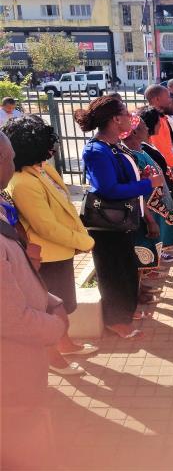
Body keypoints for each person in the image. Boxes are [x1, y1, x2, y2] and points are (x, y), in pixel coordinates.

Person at [4, 115, 97, 376]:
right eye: (46, 143)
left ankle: (65, 345)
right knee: (51, 310)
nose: (52, 148)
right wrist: (84, 241)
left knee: (64, 305)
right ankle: (53, 357)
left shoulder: (42, 169)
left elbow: (64, 207)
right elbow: (45, 226)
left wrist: (77, 239)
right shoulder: (23, 182)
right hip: (47, 256)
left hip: (61, 251)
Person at [1, 130, 67, 470]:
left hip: (21, 364)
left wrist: (49, 299)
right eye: (9, 157)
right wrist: (55, 326)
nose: (13, 163)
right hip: (11, 372)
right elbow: (9, 318)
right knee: (26, 446)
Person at [75, 96, 162, 339]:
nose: (129, 117)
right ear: (115, 119)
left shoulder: (111, 146)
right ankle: (116, 321)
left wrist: (139, 177)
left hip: (120, 220)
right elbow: (108, 189)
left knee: (125, 268)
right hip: (106, 224)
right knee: (113, 272)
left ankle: (125, 314)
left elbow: (120, 179)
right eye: (125, 113)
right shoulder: (97, 150)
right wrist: (147, 184)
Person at [137, 106, 173, 253]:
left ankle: (159, 254)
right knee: (153, 231)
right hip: (151, 198)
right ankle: (154, 258)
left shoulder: (148, 145)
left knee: (160, 229)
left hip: (158, 195)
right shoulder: (142, 148)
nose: (161, 125)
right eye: (159, 122)